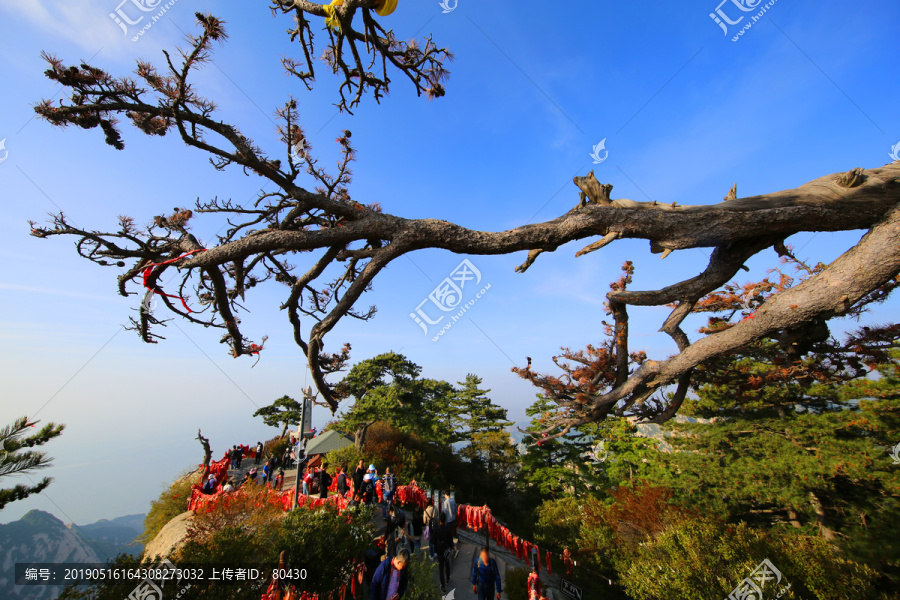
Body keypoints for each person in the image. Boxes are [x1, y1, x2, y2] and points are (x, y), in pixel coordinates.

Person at [433, 512, 455, 592]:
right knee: (447, 564)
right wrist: (451, 547)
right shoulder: (448, 530)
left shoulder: (436, 530)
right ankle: (448, 579)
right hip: (446, 550)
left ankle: (442, 585)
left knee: (441, 568)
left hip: (439, 550)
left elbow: (433, 541)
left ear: (439, 520)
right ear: (445, 520)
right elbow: (451, 540)